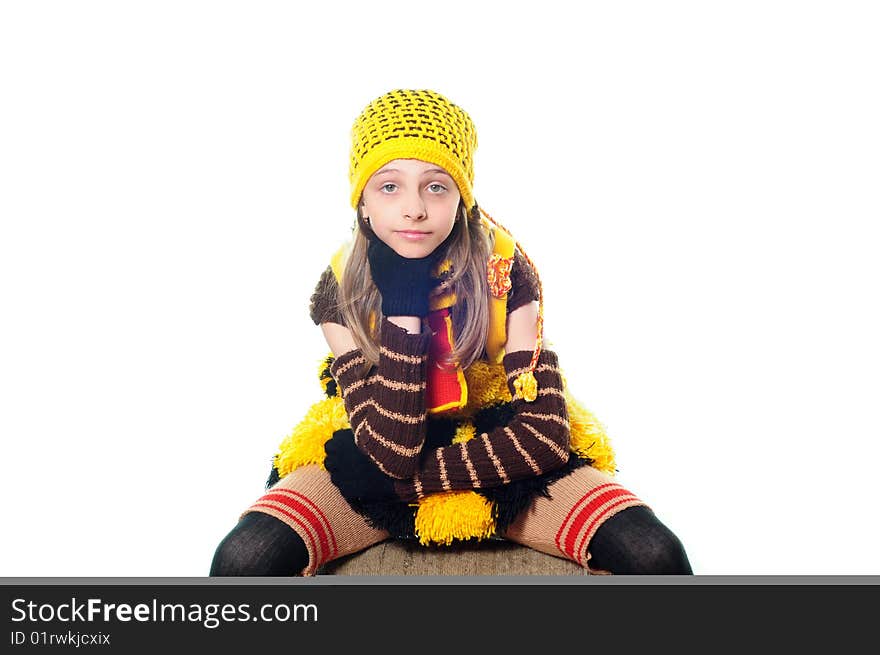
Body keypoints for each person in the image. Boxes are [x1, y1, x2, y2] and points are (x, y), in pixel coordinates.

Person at [210, 88, 692, 576]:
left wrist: (409, 486)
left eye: (436, 186)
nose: (414, 209)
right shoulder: (337, 288)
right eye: (389, 187)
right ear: (362, 202)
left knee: (653, 552)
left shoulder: (505, 268)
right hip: (375, 448)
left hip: (499, 449)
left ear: (462, 198)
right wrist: (402, 305)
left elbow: (544, 436)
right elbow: (389, 452)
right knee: (244, 558)